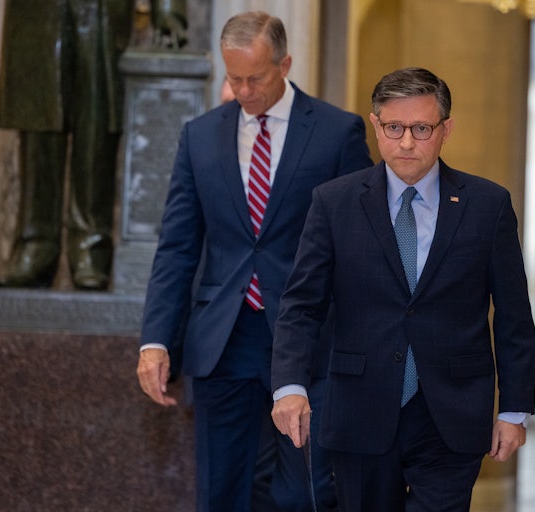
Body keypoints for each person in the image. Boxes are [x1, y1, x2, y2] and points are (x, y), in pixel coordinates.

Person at [136, 11, 372, 512]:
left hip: (309, 340)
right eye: (233, 77)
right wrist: (156, 340)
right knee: (221, 491)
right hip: (223, 340)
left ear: (284, 64)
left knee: (304, 491)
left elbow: (362, 249)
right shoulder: (199, 137)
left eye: (255, 78)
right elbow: (177, 247)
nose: (243, 90)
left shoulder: (336, 133)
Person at [271, 67, 535, 512]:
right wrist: (289, 386)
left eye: (421, 128)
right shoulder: (334, 203)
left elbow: (513, 316)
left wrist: (513, 410)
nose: (407, 142)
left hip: (452, 412)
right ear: (376, 125)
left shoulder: (487, 206)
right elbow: (301, 305)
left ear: (446, 129)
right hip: (359, 408)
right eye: (394, 128)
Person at [0, 0, 186, 290]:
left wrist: (169, 10)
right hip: (36, 13)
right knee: (37, 122)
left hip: (102, 12)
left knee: (97, 124)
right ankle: (35, 244)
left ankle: (91, 245)